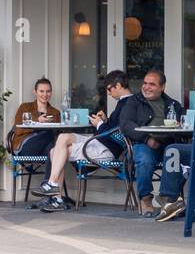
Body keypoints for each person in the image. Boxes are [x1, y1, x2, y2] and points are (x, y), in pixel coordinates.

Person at [32, 71, 132, 211]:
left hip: (105, 149)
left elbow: (121, 136)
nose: (108, 93)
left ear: (119, 85)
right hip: (98, 142)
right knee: (62, 137)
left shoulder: (129, 104)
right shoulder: (123, 103)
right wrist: (105, 121)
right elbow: (116, 128)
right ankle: (53, 187)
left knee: (55, 151)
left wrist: (99, 125)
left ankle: (55, 195)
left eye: (109, 89)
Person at [117, 70, 186, 218]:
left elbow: (185, 123)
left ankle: (168, 198)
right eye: (145, 83)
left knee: (180, 156)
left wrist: (181, 124)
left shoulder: (173, 104)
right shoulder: (134, 101)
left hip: (167, 144)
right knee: (145, 160)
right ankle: (146, 199)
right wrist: (146, 139)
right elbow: (125, 125)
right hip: (143, 143)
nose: (147, 87)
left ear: (162, 87)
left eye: (152, 84)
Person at [9, 79, 61, 157]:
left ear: (51, 92)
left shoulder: (55, 112)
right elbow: (18, 129)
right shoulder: (25, 107)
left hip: (46, 148)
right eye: (41, 91)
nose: (45, 94)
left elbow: (59, 133)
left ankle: (83, 167)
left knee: (53, 152)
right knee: (50, 135)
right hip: (25, 146)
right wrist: (38, 121)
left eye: (48, 91)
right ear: (35, 92)